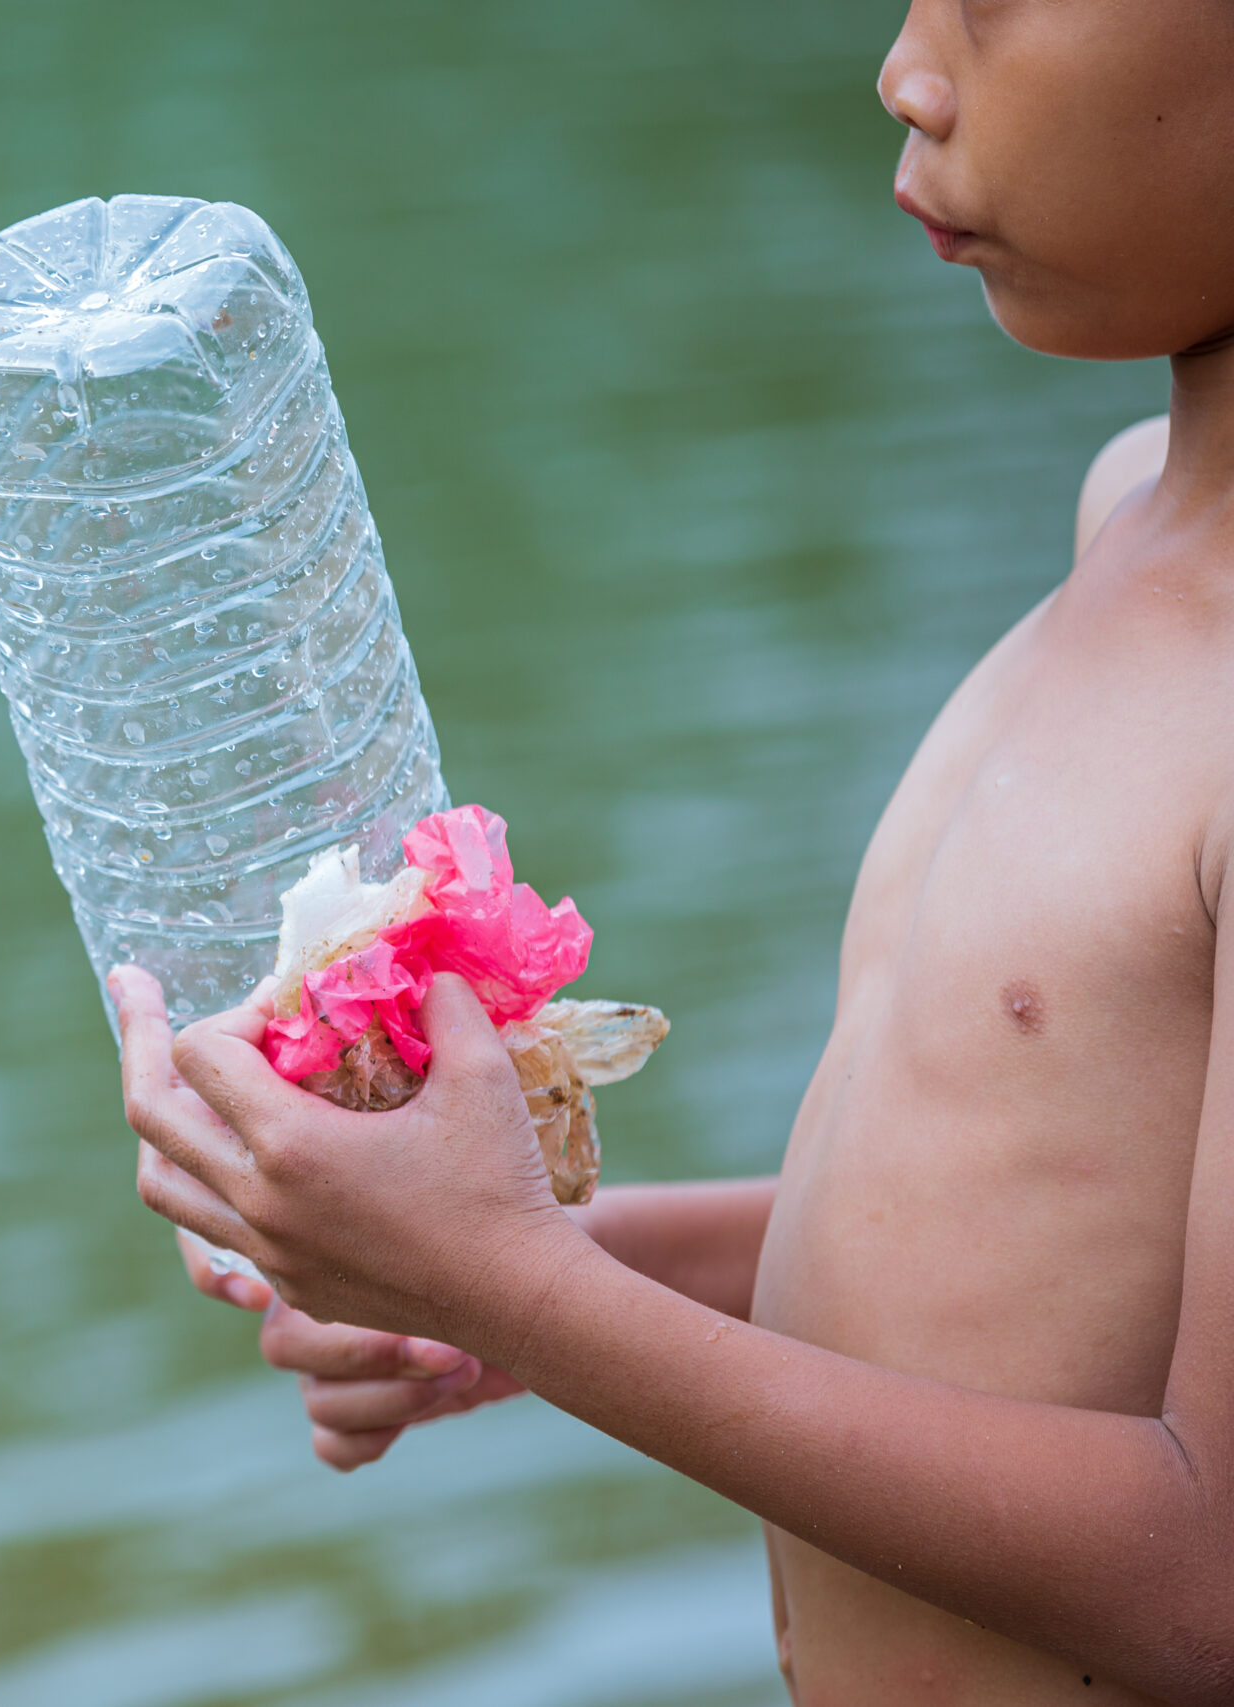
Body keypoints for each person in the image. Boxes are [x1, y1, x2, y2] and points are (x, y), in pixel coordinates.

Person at [111, 0, 1234, 1700]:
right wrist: (521, 1270)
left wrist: (511, 1282)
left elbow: (1204, 1583)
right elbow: (1052, 1241)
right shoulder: (1126, 513)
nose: (910, 74)